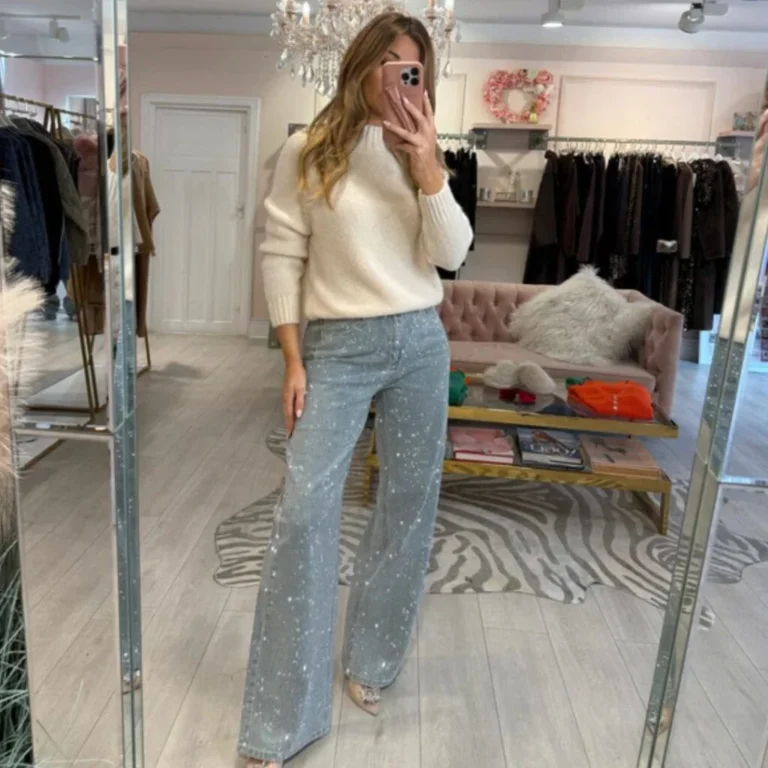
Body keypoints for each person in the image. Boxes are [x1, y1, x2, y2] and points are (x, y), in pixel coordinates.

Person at [238, 11, 472, 768]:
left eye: (416, 68)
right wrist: (291, 357)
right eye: (391, 62)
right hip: (336, 348)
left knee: (408, 505)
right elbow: (281, 252)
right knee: (304, 511)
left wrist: (428, 167)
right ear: (361, 64)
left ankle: (372, 660)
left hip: (419, 342)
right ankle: (282, 719)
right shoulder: (308, 149)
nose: (403, 78)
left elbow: (453, 254)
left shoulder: (423, 152)